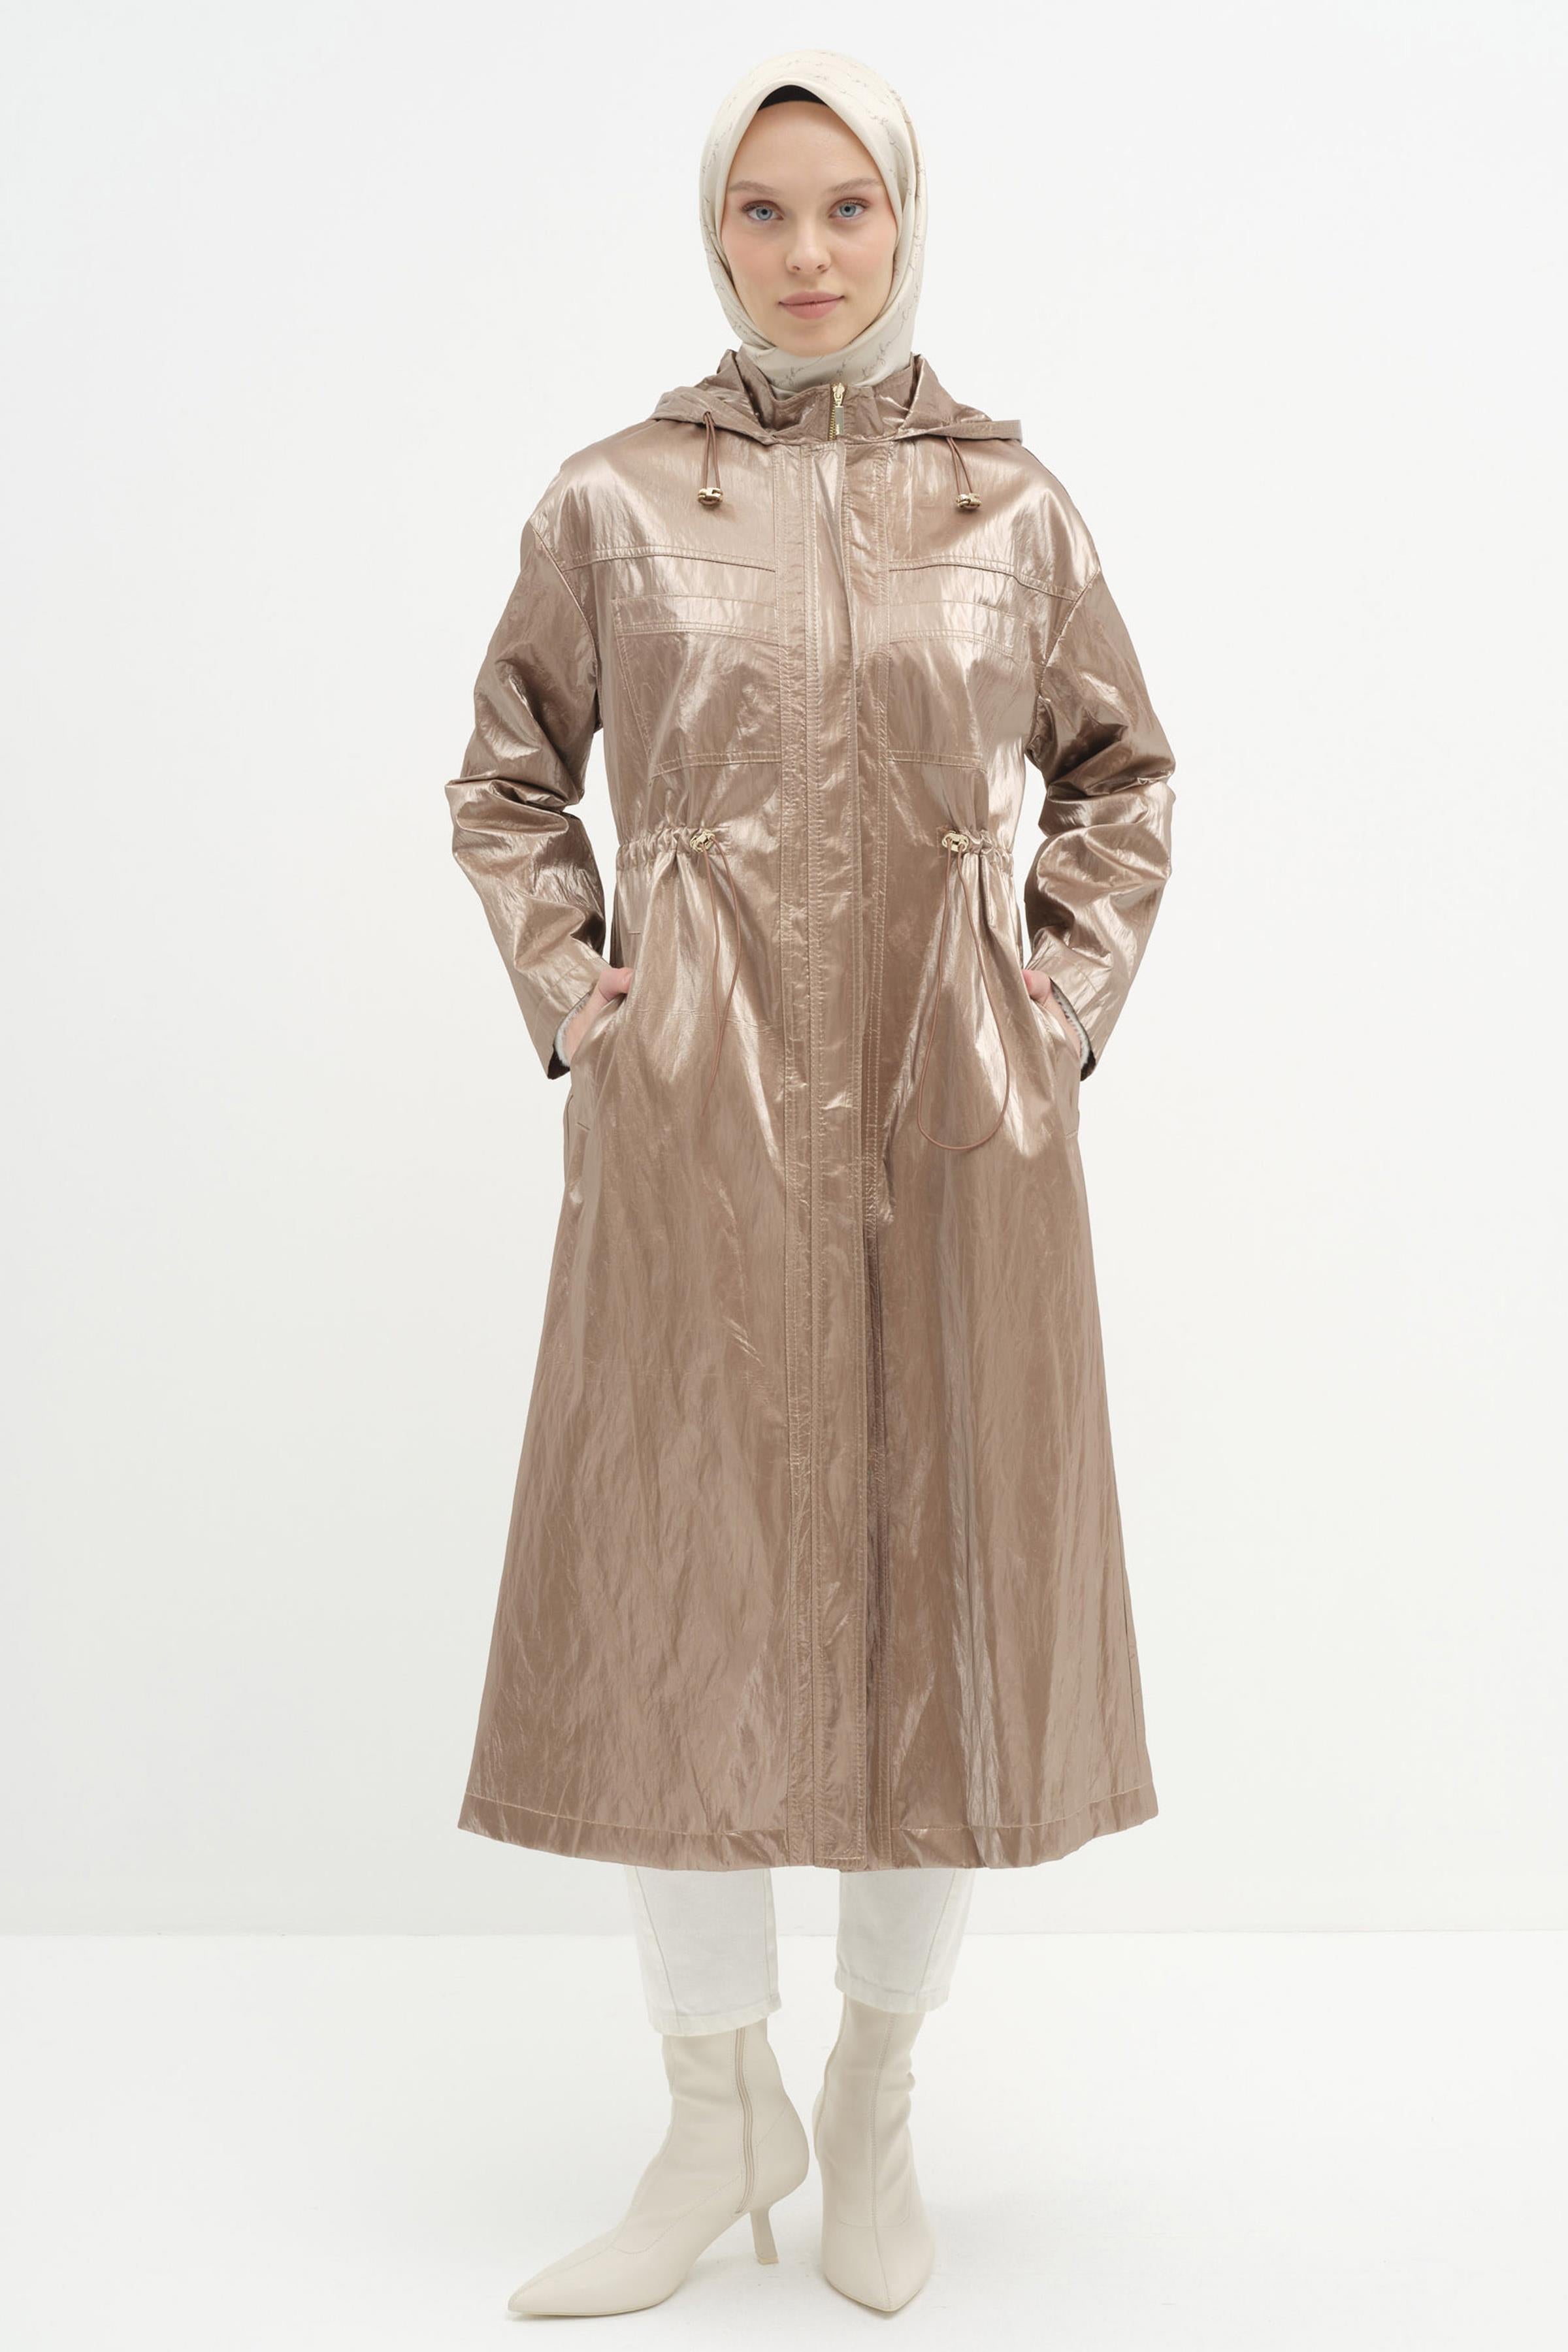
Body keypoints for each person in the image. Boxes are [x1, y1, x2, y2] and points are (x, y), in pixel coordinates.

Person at [442, 46, 1175, 2319]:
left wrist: (1051, 1009)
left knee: (933, 1588)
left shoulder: (1012, 510)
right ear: (714, 233)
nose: (808, 252)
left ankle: (871, 2098)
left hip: (954, 1128)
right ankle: (710, 2112)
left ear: (907, 220)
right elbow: (505, 777)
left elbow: (1122, 778)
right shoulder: (613, 501)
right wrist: (586, 999)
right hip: (691, 1131)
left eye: (848, 207)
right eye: (763, 211)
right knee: (679, 1581)